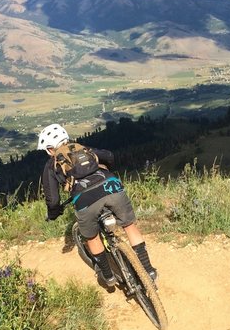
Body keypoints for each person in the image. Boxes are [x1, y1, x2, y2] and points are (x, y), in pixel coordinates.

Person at [38, 123, 157, 287]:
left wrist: (53, 213)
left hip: (85, 199)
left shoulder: (52, 164)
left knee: (92, 237)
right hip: (111, 185)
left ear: (50, 149)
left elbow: (53, 200)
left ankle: (108, 276)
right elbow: (109, 155)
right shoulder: (83, 148)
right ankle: (148, 269)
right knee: (129, 226)